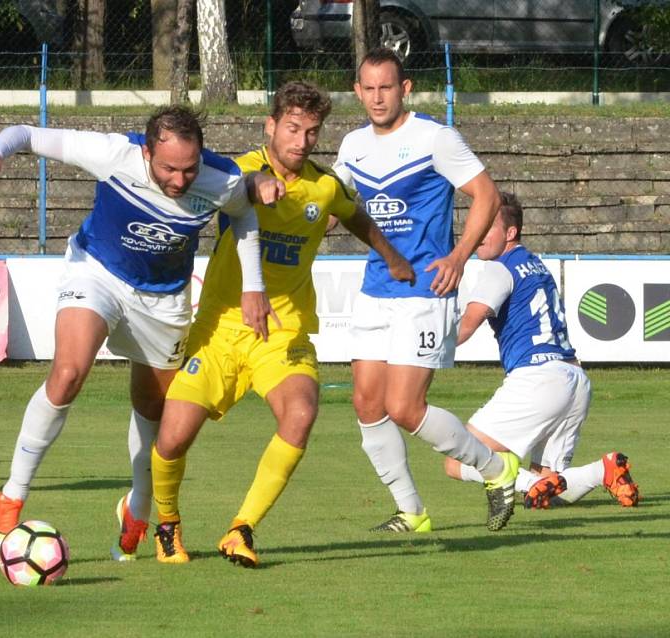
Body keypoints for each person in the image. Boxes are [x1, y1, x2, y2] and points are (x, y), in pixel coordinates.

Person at [0, 105, 280, 552]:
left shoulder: (223, 178)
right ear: (147, 151)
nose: (179, 180)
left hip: (164, 299)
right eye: (168, 169)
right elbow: (23, 132)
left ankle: (137, 504)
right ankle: (13, 495)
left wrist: (253, 286)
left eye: (189, 169)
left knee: (152, 406)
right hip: (96, 271)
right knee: (68, 374)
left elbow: (244, 214)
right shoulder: (113, 153)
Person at [144, 81, 415, 567]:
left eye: (312, 132)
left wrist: (392, 257)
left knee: (301, 414)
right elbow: (207, 187)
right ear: (270, 126)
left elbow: (354, 216)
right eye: (292, 128)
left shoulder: (323, 185)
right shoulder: (240, 171)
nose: (302, 140)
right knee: (172, 438)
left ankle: (241, 528)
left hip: (283, 333)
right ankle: (167, 524)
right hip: (220, 329)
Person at [333, 46, 518, 533]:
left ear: (405, 88)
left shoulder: (435, 138)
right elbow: (335, 202)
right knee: (367, 406)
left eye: (386, 87)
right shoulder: (352, 145)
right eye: (368, 89)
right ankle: (411, 511)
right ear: (357, 91)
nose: (377, 97)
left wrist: (458, 257)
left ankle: (497, 469)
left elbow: (487, 194)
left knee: (404, 408)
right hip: (377, 287)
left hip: (425, 290)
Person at [444, 192, 639, 510]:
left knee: (457, 456)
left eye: (485, 227)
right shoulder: (535, 265)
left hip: (538, 380)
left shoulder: (498, 269)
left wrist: (421, 347)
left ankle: (522, 481)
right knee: (554, 491)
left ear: (510, 232)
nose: (476, 235)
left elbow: (466, 326)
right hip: (574, 379)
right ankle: (602, 470)